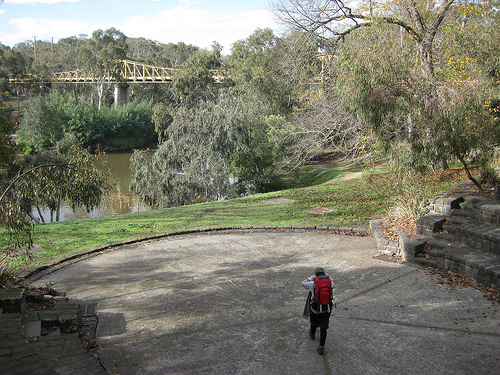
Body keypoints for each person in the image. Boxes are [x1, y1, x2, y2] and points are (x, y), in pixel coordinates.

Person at [301, 267, 335, 355]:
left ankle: (312, 334)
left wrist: (311, 277)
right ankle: (321, 346)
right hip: (326, 309)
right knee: (324, 327)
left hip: (315, 309)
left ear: (316, 275)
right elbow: (333, 285)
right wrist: (329, 277)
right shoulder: (329, 283)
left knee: (314, 322)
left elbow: (303, 283)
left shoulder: (313, 283)